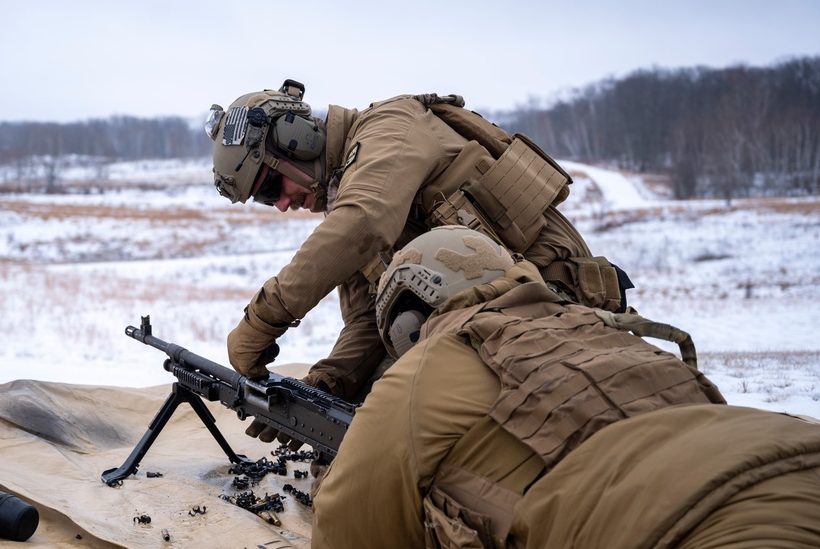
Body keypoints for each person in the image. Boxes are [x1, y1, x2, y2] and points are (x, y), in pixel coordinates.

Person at [310, 226, 820, 549]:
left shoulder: (433, 361)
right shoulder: (598, 326)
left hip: (686, 529)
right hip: (789, 456)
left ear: (407, 323)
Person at [206, 80, 631, 410]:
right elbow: (371, 322)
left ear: (295, 139)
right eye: (266, 200)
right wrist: (324, 387)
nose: (280, 205)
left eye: (270, 187)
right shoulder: (346, 196)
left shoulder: (389, 127)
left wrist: (262, 320)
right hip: (494, 323)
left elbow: (364, 223)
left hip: (556, 306)